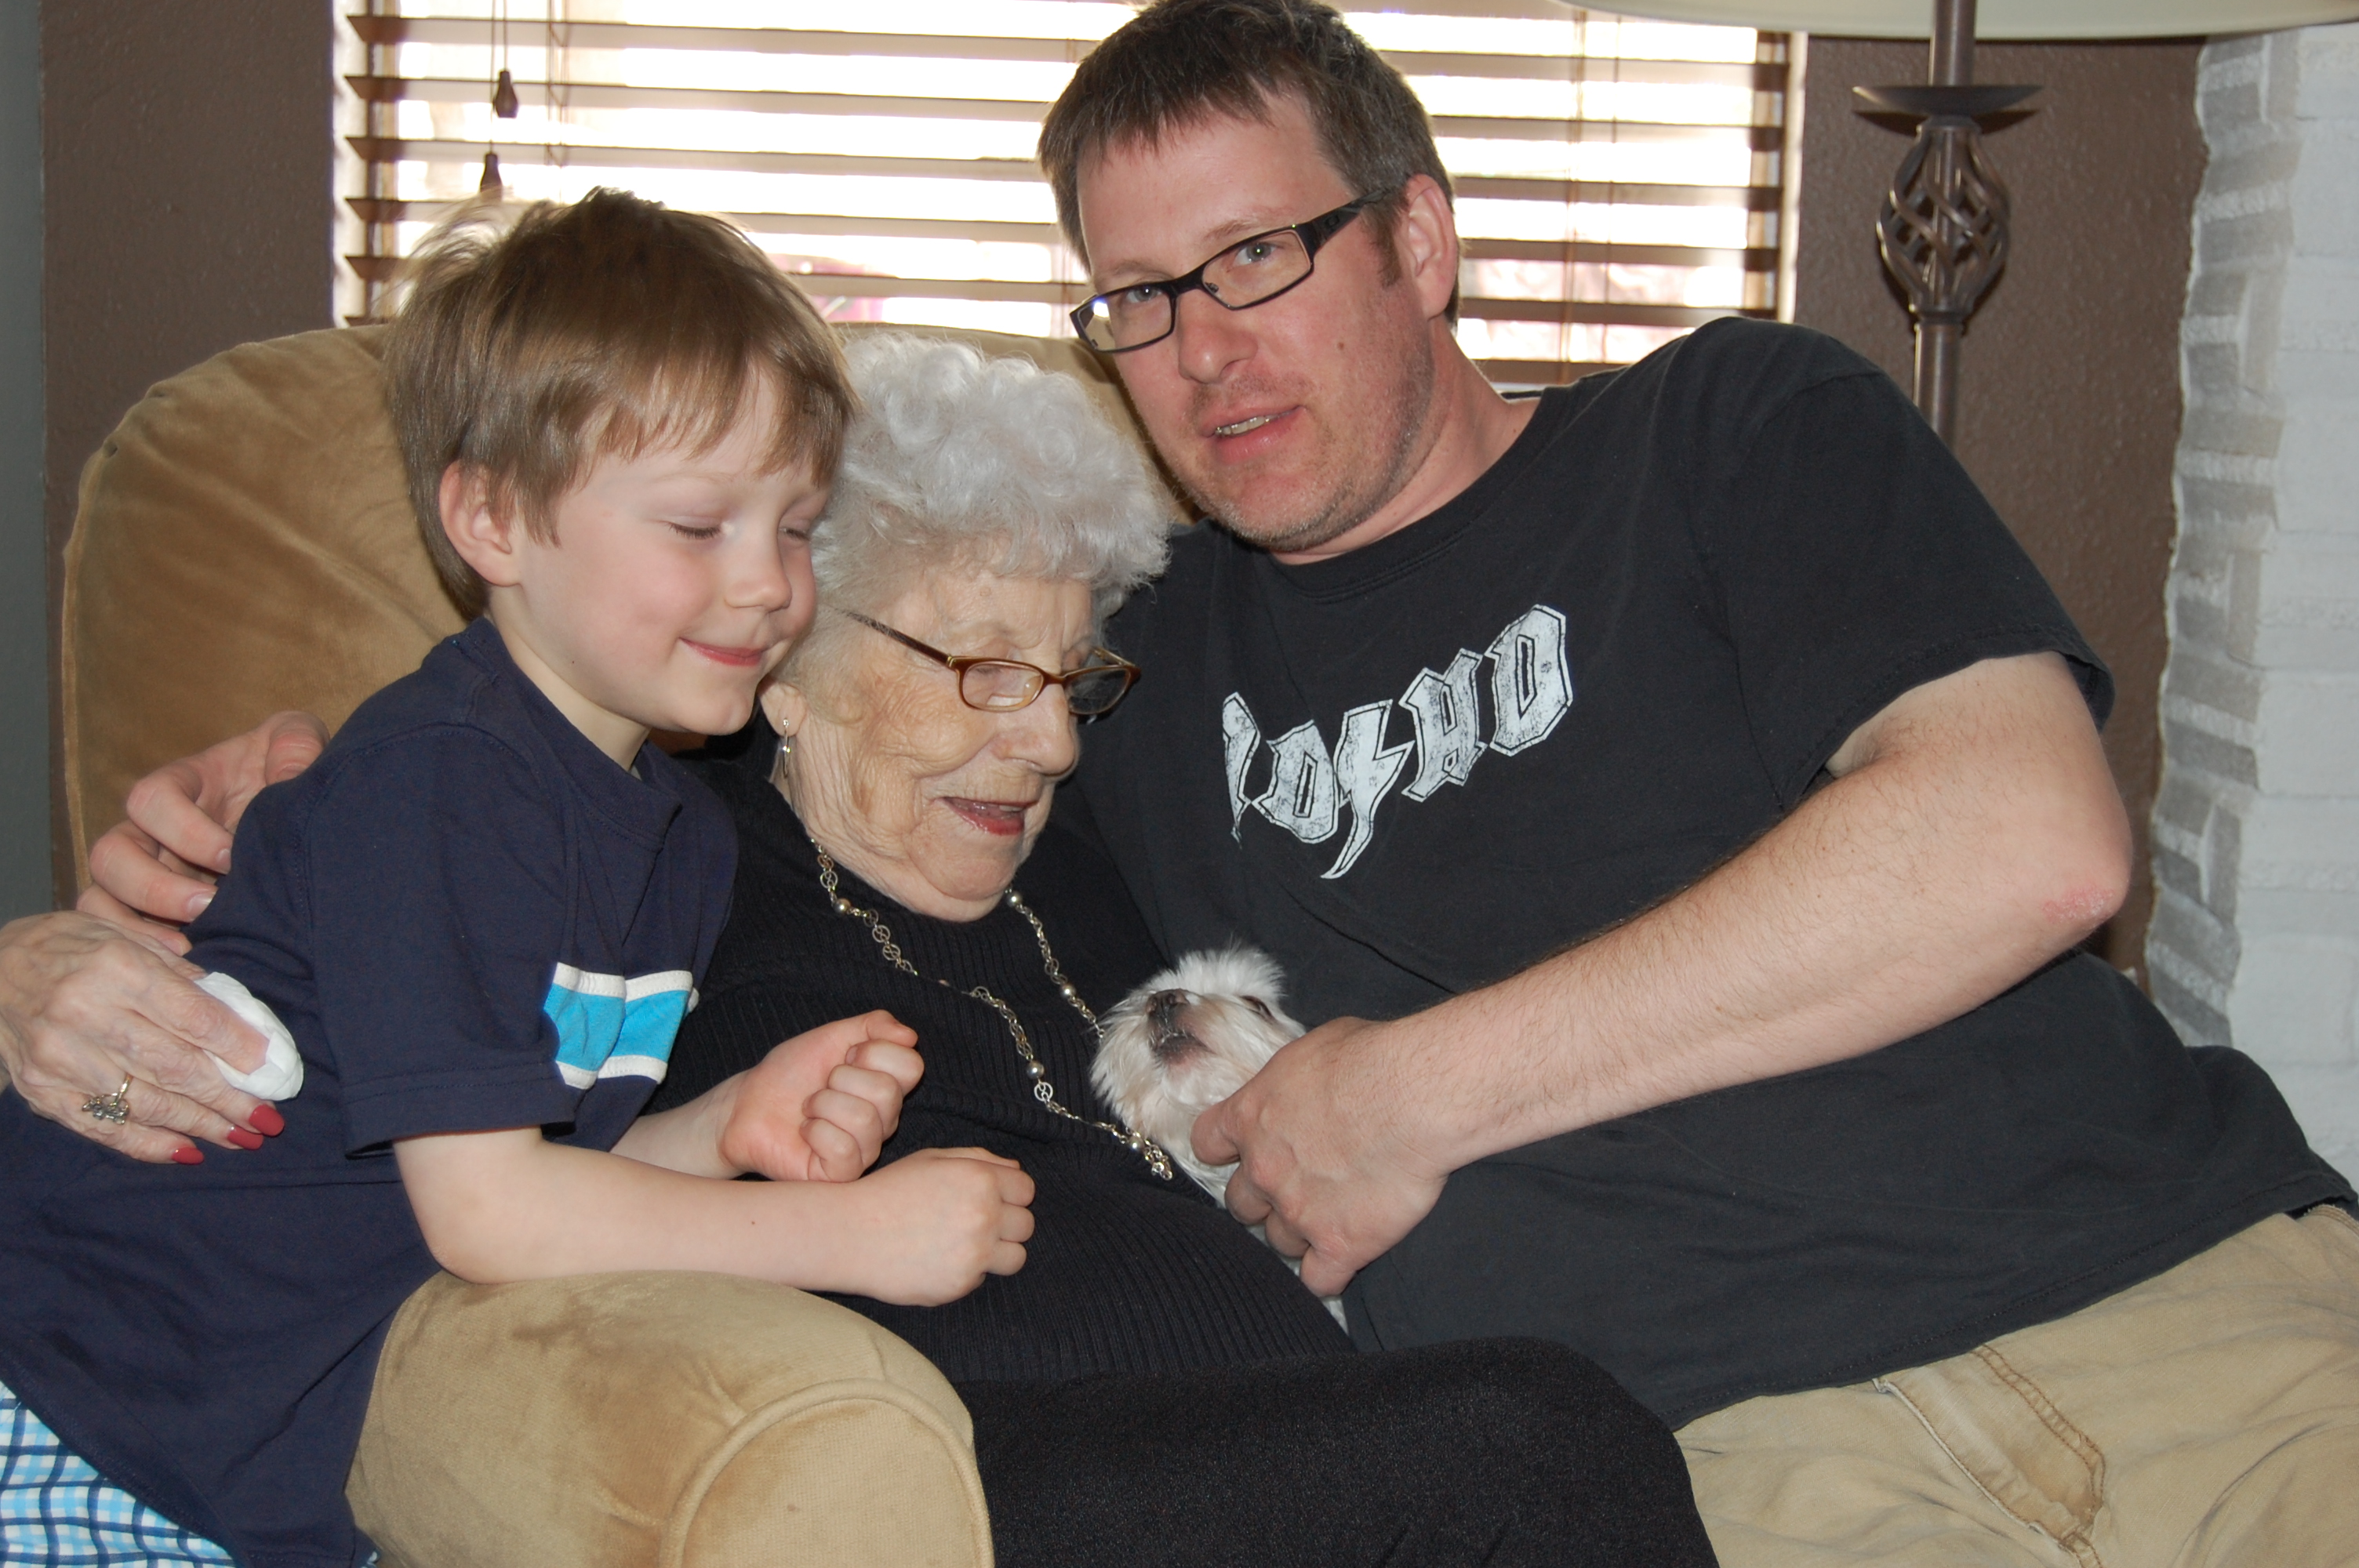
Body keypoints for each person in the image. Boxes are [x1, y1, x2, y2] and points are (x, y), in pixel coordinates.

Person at [14, 0, 2356, 1559]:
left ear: (1420, 237)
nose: (1198, 351)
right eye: (1133, 297)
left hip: (2189, 1311)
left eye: (1257, 257)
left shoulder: (1736, 423)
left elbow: (2029, 837)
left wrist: (1411, 1092)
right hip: (1736, 1469)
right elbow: (632, 733)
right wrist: (131, 898)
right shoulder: (1125, 658)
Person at [0, 311, 1722, 1563]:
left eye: (1070, 679)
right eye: (977, 668)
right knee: (1543, 1440)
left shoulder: (1093, 829)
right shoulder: (672, 848)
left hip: (1294, 1425)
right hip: (954, 1461)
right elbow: (446, 830)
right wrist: (61, 938)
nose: (1042, 742)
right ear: (791, 661)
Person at [0, 191, 1041, 1567]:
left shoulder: (681, 835)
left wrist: (721, 1127)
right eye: (698, 526)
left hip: (226, 1442)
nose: (766, 586)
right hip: (64, 1386)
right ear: (490, 519)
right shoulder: (443, 781)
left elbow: (525, 1163)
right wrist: (846, 1235)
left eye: (794, 528)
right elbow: (487, 1211)